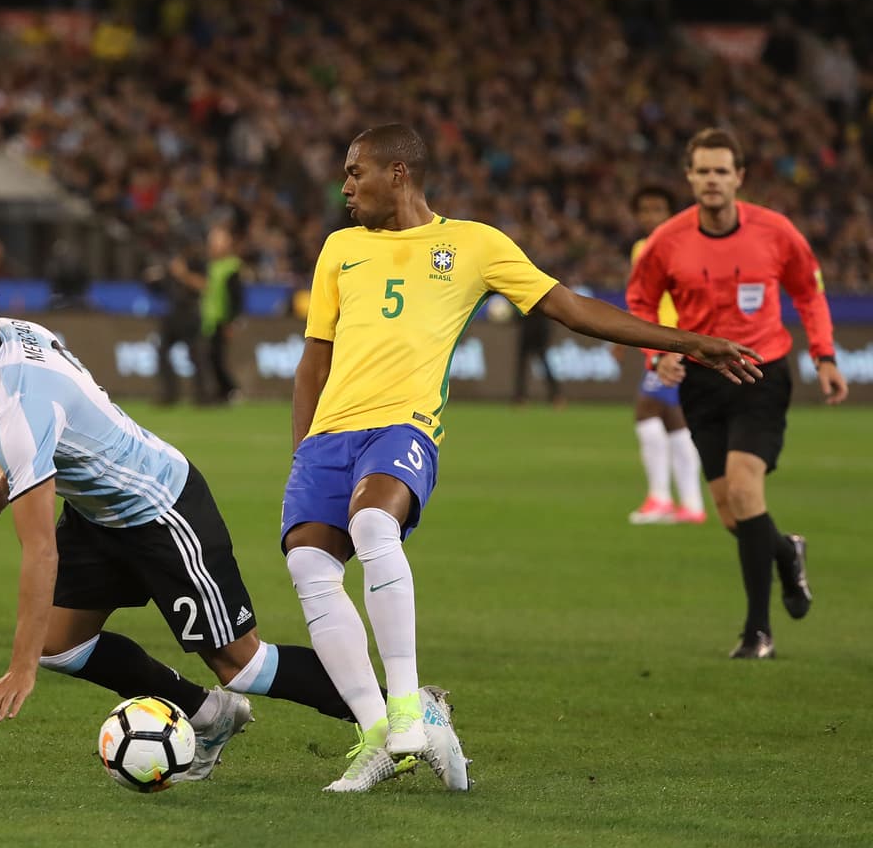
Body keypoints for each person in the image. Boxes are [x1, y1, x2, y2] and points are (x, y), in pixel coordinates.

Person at [285, 123, 762, 791]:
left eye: (354, 172)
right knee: (309, 563)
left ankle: (405, 714)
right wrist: (303, 452)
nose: (344, 187)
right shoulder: (339, 249)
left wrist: (689, 341)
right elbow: (315, 360)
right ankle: (381, 735)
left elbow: (572, 308)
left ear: (398, 173)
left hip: (403, 427)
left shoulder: (474, 244)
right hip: (329, 437)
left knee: (372, 528)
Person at [0, 272, 449, 786]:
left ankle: (407, 709)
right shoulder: (15, 339)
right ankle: (208, 715)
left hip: (162, 511)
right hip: (99, 514)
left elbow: (40, 553)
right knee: (58, 643)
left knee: (243, 664)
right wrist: (6, 486)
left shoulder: (16, 399)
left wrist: (20, 669)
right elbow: (61, 419)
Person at [627, 127, 848, 660]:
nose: (712, 180)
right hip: (704, 382)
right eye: (702, 170)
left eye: (722, 170)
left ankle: (757, 632)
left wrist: (825, 355)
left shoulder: (775, 232)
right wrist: (658, 355)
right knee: (731, 514)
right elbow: (639, 299)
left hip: (761, 373)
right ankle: (786, 551)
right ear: (690, 177)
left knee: (747, 493)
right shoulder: (667, 241)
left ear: (739, 177)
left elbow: (808, 292)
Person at [624, 185, 706, 525]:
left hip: (672, 343)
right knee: (674, 418)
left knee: (647, 412)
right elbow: (643, 298)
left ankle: (660, 498)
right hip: (660, 340)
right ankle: (690, 503)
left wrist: (677, 345)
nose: (650, 217)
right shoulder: (642, 247)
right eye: (644, 209)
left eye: (658, 209)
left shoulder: (679, 246)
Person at [142, 238, 204, 406]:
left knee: (197, 355)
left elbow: (203, 285)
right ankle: (169, 393)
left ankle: (202, 395)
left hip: (190, 316)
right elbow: (160, 289)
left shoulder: (197, 263)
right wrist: (151, 279)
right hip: (172, 316)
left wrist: (182, 273)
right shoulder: (169, 268)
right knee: (162, 352)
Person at [199, 219, 245, 404]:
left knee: (217, 357)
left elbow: (236, 297)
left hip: (222, 319)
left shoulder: (231, 266)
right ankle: (221, 392)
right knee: (210, 357)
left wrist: (232, 321)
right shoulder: (211, 266)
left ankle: (230, 389)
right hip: (208, 319)